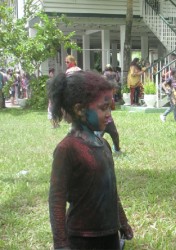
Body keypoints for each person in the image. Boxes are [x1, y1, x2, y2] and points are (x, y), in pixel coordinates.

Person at [48, 71, 133, 249]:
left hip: (110, 234)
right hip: (82, 238)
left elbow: (111, 191)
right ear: (80, 109)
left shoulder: (104, 145)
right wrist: (61, 244)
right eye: (103, 108)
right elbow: (56, 199)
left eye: (110, 107)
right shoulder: (67, 149)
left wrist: (122, 222)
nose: (109, 114)